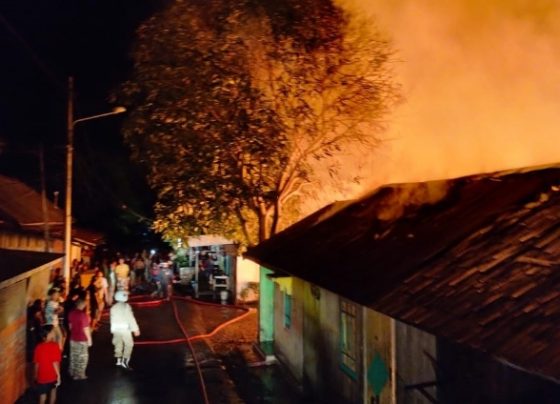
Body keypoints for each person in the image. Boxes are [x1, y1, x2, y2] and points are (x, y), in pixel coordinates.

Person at [110, 291, 140, 369]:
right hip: (125, 330)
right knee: (129, 344)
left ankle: (118, 360)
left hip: (116, 330)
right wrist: (135, 329)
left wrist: (113, 330)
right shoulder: (126, 306)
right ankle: (125, 361)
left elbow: (112, 319)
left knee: (118, 344)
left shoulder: (113, 307)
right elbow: (131, 318)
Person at [33, 325, 62, 404]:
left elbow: (36, 363)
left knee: (42, 396)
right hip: (52, 376)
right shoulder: (55, 346)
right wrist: (58, 376)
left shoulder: (38, 347)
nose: (54, 334)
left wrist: (35, 375)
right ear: (48, 334)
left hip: (41, 377)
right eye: (53, 332)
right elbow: (55, 363)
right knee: (53, 392)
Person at [68, 299, 92, 380]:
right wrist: (89, 340)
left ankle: (73, 372)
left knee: (74, 356)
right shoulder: (83, 315)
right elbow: (86, 329)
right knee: (82, 358)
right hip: (81, 339)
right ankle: (80, 374)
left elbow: (70, 327)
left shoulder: (71, 313)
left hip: (73, 338)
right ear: (83, 305)